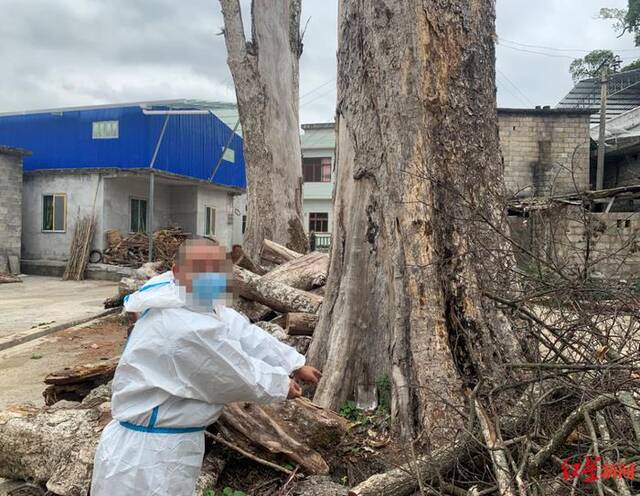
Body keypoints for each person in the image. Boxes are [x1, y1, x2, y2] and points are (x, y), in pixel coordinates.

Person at [90, 239, 322, 495]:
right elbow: (233, 373)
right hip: (146, 458)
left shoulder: (186, 297)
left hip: (168, 446)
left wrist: (292, 362)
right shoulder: (183, 326)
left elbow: (241, 331)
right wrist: (279, 384)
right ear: (178, 271)